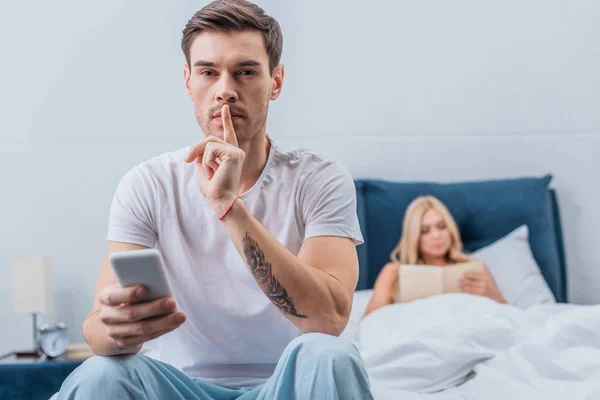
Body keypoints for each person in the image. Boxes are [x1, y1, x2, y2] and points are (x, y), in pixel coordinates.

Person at [57, 1, 374, 399]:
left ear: (275, 81)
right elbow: (95, 328)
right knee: (101, 372)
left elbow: (328, 320)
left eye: (245, 71)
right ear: (188, 81)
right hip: (179, 388)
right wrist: (116, 332)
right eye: (209, 72)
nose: (225, 90)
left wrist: (229, 207)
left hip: (286, 386)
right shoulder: (149, 184)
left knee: (331, 355)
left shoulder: (319, 179)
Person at [364, 195, 506, 316]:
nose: (437, 236)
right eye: (425, 231)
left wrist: (489, 294)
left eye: (441, 226)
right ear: (414, 237)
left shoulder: (475, 268)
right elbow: (372, 321)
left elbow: (509, 314)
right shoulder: (393, 272)